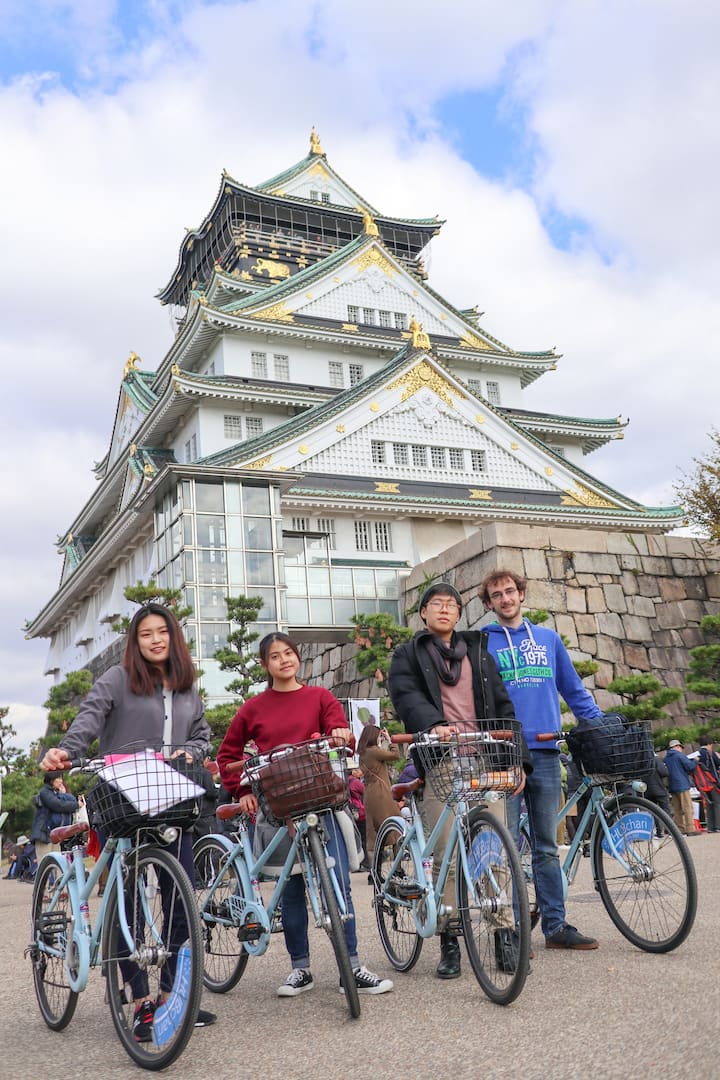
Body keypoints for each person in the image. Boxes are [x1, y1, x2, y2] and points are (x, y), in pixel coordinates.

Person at [39, 601, 217, 1037]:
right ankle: (139, 1000)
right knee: (128, 903)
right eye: (146, 633)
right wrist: (67, 751)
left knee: (181, 902)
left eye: (163, 632)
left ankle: (173, 996)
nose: (156, 639)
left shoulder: (187, 687)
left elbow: (202, 735)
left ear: (174, 638)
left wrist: (190, 752)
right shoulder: (117, 680)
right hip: (123, 798)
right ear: (135, 642)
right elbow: (89, 718)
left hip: (172, 799)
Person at [217, 632, 393, 999]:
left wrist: (340, 732)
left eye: (289, 653)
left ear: (298, 658)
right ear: (265, 665)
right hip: (277, 806)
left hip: (322, 797)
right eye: (275, 656)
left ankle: (353, 966)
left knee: (339, 883)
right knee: (292, 889)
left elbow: (337, 730)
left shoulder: (320, 697)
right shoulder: (253, 707)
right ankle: (301, 968)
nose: (284, 660)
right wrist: (244, 790)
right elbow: (228, 755)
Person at [389, 581, 528, 979]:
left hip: (484, 754)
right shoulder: (408, 655)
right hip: (443, 759)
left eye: (452, 604)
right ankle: (449, 939)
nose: (445, 610)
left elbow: (503, 704)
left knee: (492, 849)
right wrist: (433, 725)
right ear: (424, 613)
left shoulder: (479, 652)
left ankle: (504, 935)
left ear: (460, 612)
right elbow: (405, 695)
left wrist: (517, 760)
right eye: (437, 604)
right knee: (447, 851)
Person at [479, 568, 601, 951]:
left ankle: (555, 926)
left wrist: (598, 724)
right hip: (502, 755)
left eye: (510, 591)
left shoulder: (547, 639)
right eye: (496, 595)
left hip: (547, 752)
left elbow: (573, 688)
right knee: (508, 846)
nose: (505, 598)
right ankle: (510, 932)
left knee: (547, 845)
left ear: (521, 594)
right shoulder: (482, 642)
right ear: (488, 603)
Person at [357, 724, 400, 869]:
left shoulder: (362, 753)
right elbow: (395, 755)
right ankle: (398, 868)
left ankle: (375, 871)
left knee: (373, 833)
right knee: (395, 827)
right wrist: (390, 740)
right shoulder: (374, 751)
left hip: (369, 793)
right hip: (382, 793)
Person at [30, 773, 79, 864]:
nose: (61, 781)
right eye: (58, 778)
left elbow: (69, 801)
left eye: (61, 779)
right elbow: (58, 805)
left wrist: (63, 794)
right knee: (45, 864)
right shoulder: (45, 792)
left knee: (58, 864)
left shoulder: (55, 793)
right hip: (43, 833)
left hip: (54, 833)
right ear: (51, 780)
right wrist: (76, 805)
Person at [665, 738, 701, 836]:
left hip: (672, 786)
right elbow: (689, 767)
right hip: (682, 784)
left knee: (677, 809)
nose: (681, 749)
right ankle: (690, 829)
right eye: (681, 747)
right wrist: (695, 761)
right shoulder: (679, 755)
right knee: (687, 807)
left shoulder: (666, 758)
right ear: (677, 747)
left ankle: (680, 829)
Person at [347, 763, 369, 871]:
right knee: (364, 839)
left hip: (351, 814)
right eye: (358, 769)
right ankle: (366, 863)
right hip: (360, 813)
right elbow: (366, 792)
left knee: (356, 838)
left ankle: (358, 863)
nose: (361, 771)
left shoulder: (345, 781)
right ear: (353, 771)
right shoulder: (355, 782)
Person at [697, 736, 720, 833]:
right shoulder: (711, 754)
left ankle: (710, 827)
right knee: (717, 803)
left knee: (709, 804)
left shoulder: (697, 754)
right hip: (712, 781)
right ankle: (718, 825)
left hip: (702, 783)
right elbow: (717, 764)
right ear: (709, 744)